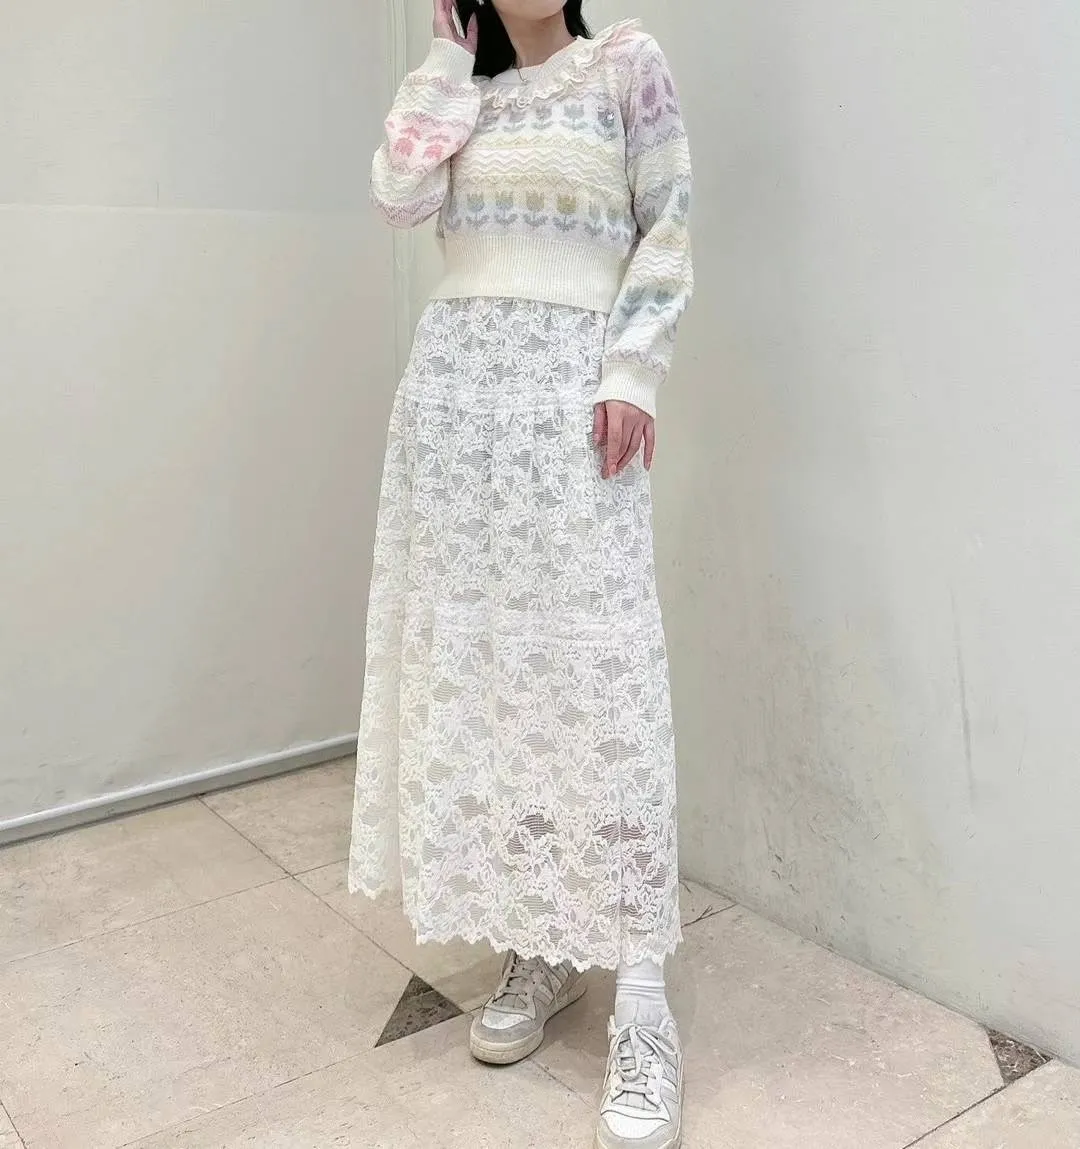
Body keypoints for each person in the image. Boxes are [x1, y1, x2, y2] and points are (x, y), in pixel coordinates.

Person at [349, 1, 693, 1144]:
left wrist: (633, 374)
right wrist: (446, 59)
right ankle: (541, 945)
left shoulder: (625, 62)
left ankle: (641, 997)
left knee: (601, 685)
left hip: (572, 401)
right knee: (499, 689)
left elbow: (668, 223)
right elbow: (399, 195)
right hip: (457, 406)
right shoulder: (462, 89)